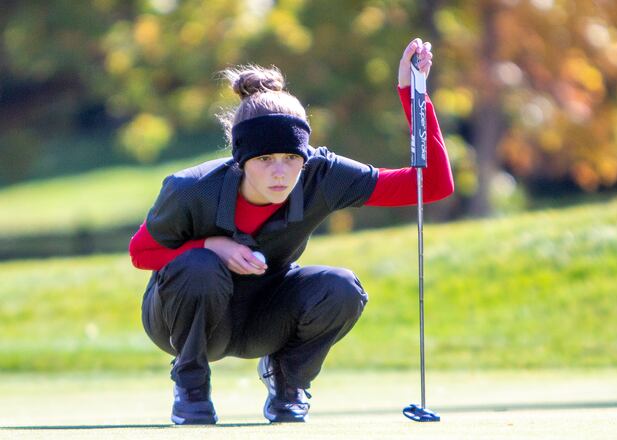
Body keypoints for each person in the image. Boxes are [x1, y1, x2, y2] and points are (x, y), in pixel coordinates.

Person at [129, 38, 453, 425]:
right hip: (181, 319)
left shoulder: (322, 175)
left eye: (291, 158)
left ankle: (287, 380)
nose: (280, 172)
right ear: (241, 158)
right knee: (200, 265)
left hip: (265, 317)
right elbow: (141, 253)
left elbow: (431, 185)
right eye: (265, 160)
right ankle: (191, 386)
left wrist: (412, 93)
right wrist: (210, 245)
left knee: (342, 287)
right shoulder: (190, 190)